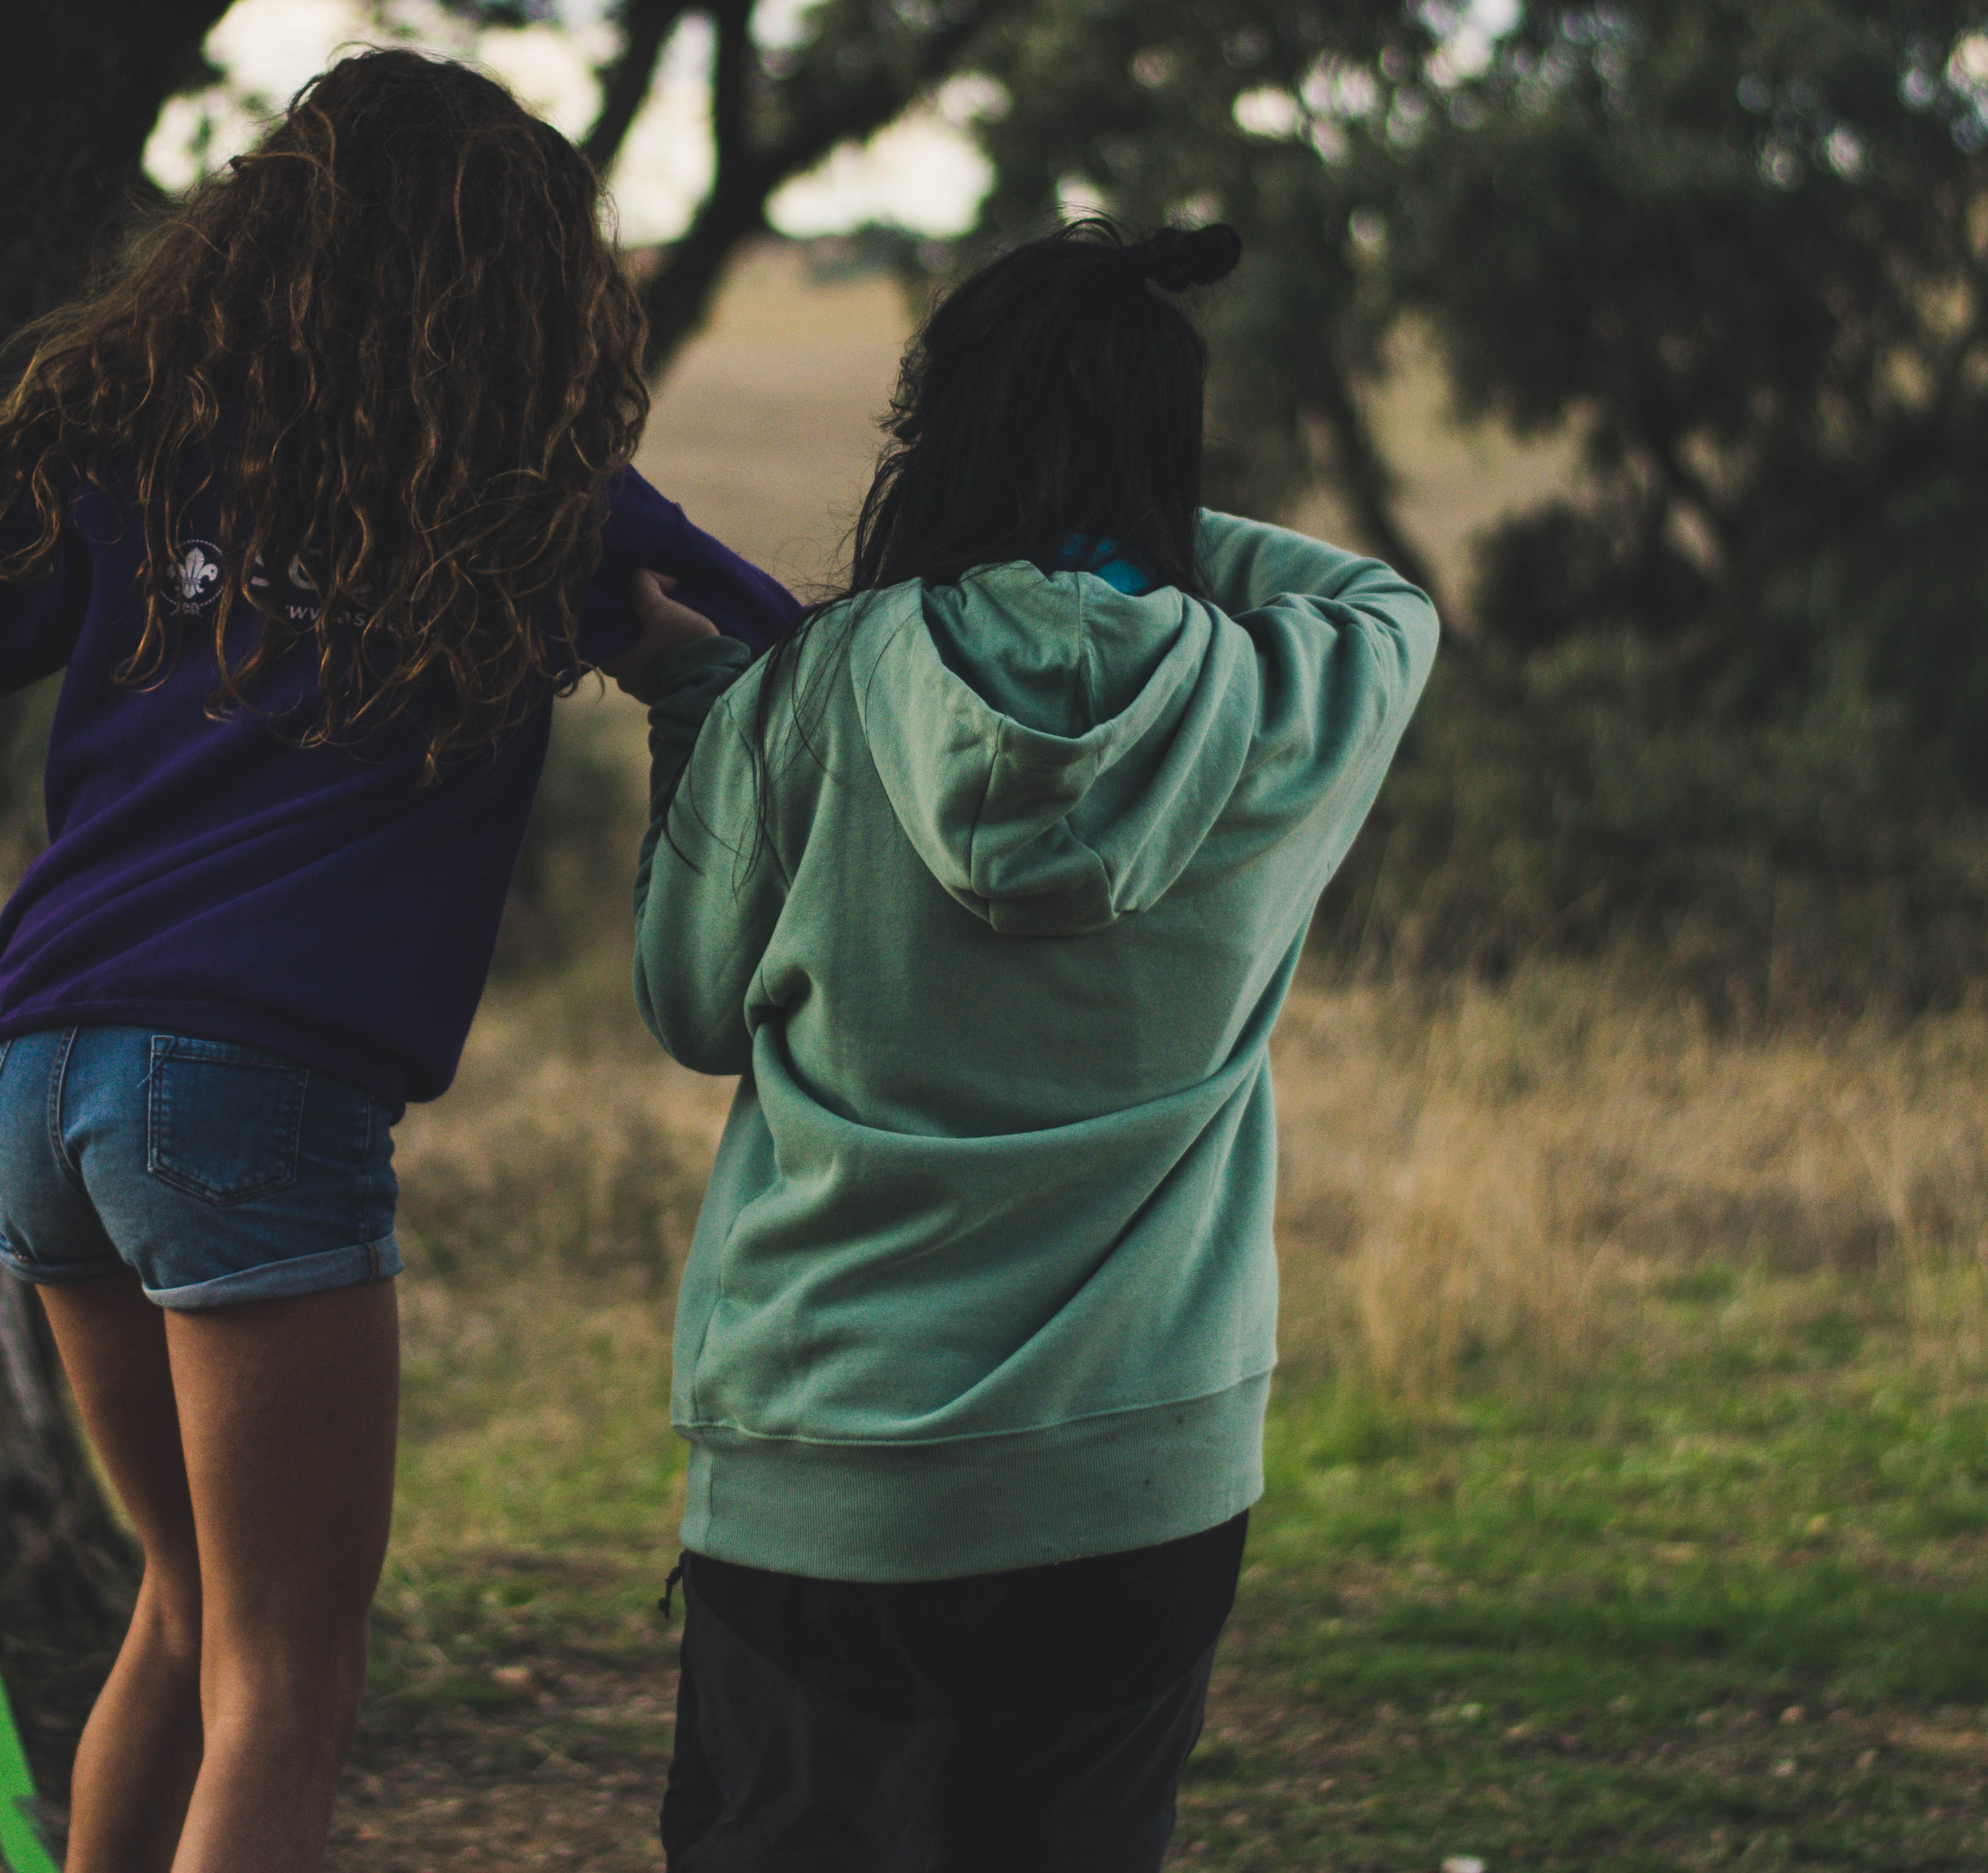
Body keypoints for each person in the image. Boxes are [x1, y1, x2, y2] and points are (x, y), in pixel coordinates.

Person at [0, 50, 802, 1873]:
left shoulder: (128, 451)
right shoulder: (537, 500)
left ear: (259, 243)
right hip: (244, 1099)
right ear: (525, 288)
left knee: (184, 1618)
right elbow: (802, 664)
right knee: (287, 1677)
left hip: (39, 1088)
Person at [605, 218, 1438, 1872]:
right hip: (1141, 1482)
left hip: (831, 1466)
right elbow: (1381, 593)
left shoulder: (811, 693)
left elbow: (692, 1008)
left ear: (944, 433)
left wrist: (701, 697)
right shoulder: (1286, 693)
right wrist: (1125, 515)